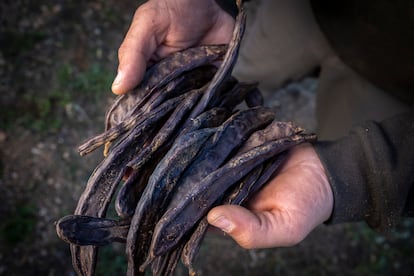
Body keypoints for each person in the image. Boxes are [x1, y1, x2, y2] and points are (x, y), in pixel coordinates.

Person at [111, 0, 414, 249]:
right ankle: (234, 86)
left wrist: (360, 171)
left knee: (342, 140)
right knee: (238, 70)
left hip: (398, 95)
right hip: (307, 11)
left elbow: (358, 167)